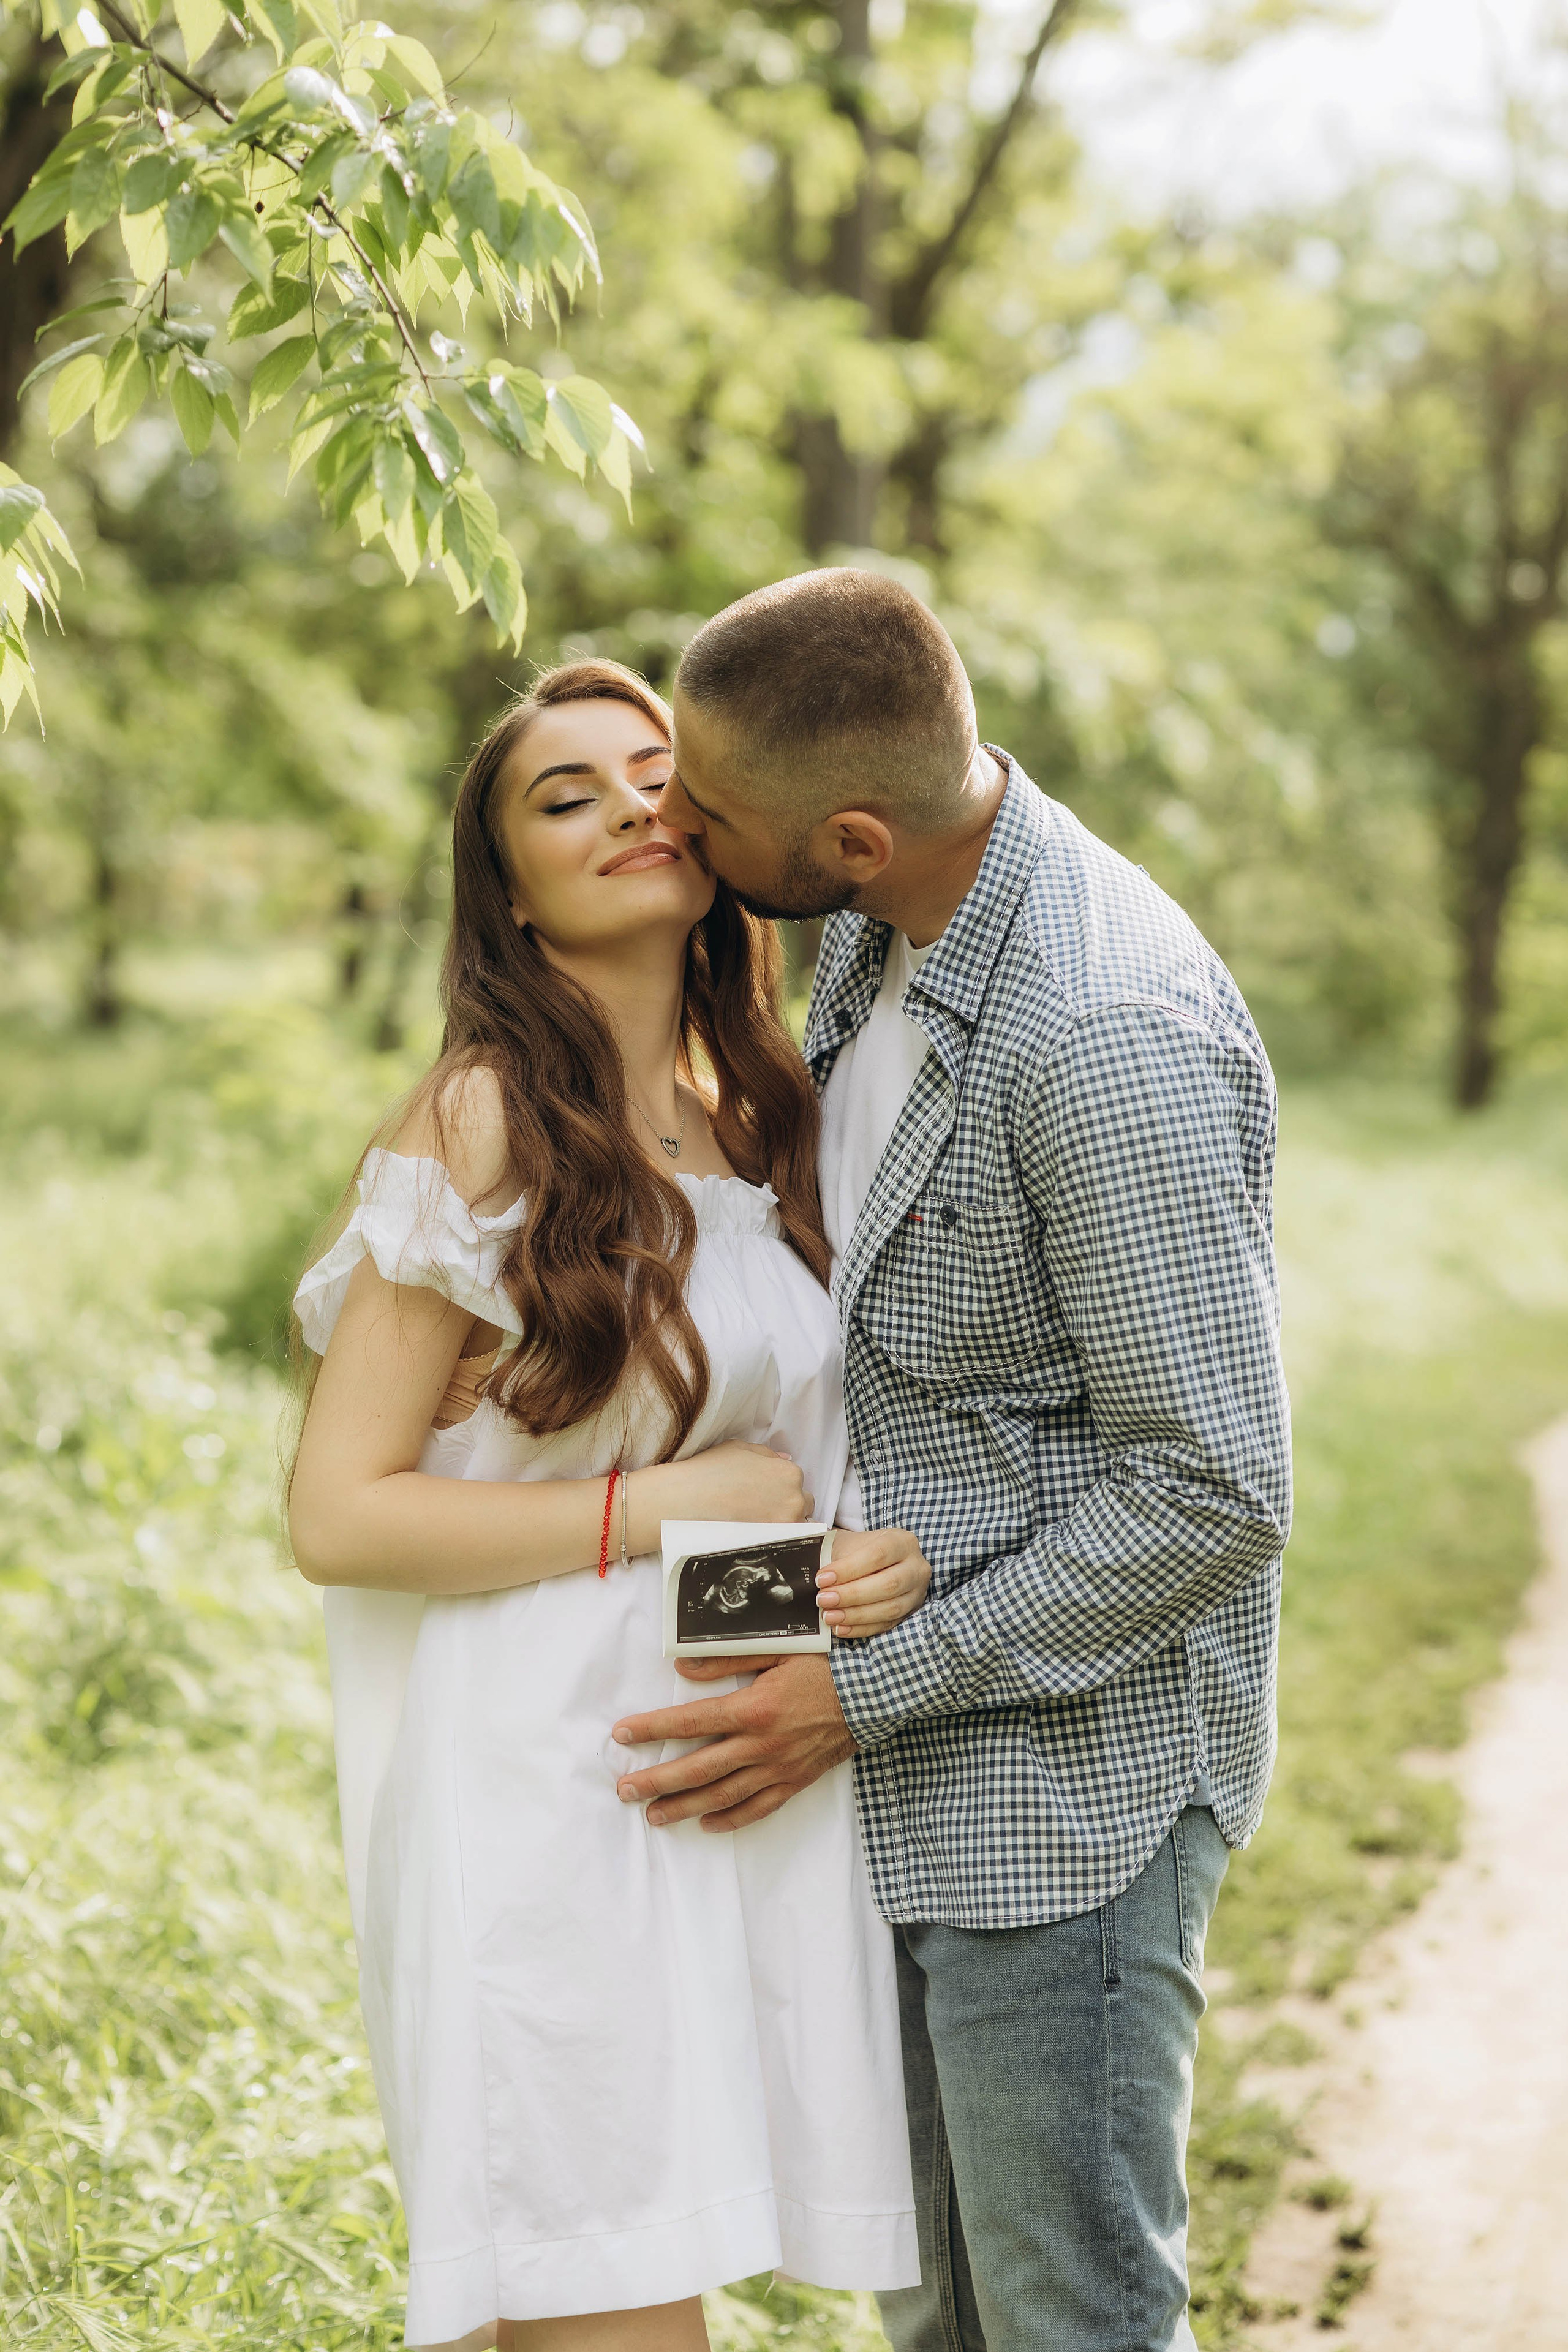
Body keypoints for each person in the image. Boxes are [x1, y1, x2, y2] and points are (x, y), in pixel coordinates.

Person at [611, 571, 1293, 2352]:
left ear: (846, 835)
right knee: (940, 2333)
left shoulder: (1101, 1035)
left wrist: (864, 1690)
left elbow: (1215, 1488)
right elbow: (911, 1400)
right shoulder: (885, 930)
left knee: (1067, 2323)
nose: (672, 818)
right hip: (909, 1768)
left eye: (711, 806)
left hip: (1070, 1802)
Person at [287, 660, 929, 2352]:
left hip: (708, 1772)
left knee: (637, 2297)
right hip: (539, 1797)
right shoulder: (486, 1124)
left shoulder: (755, 1123)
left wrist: (834, 1581)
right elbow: (342, 1516)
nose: (632, 808)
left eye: (657, 776)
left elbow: (744, 1491)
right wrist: (660, 1505)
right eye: (568, 796)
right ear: (510, 889)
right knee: (611, 2310)